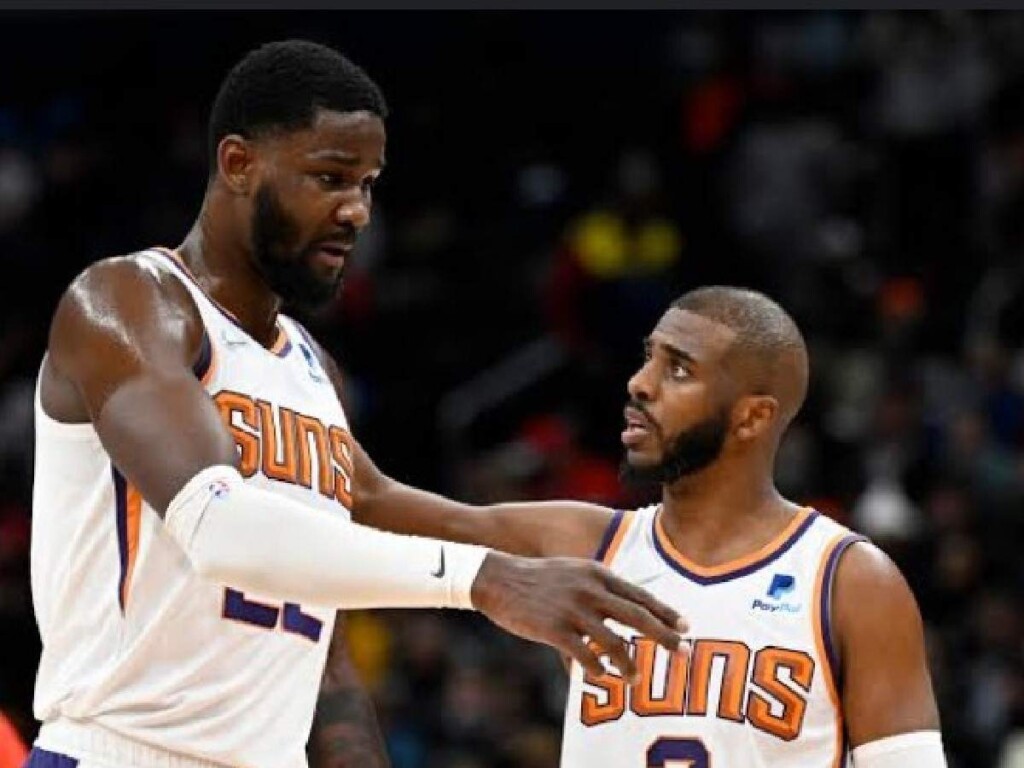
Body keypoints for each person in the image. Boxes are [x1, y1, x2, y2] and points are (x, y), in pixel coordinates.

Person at [27, 40, 689, 768]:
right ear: (238, 164)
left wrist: (628, 540)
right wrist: (486, 578)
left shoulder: (314, 373)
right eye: (330, 178)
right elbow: (218, 529)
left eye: (368, 183)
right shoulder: (127, 303)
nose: (357, 211)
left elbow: (332, 644)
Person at [353, 286, 948, 767]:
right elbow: (374, 502)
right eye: (649, 358)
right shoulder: (588, 544)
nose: (640, 383)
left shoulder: (849, 581)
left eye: (679, 370)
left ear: (752, 416)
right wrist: (286, 365)